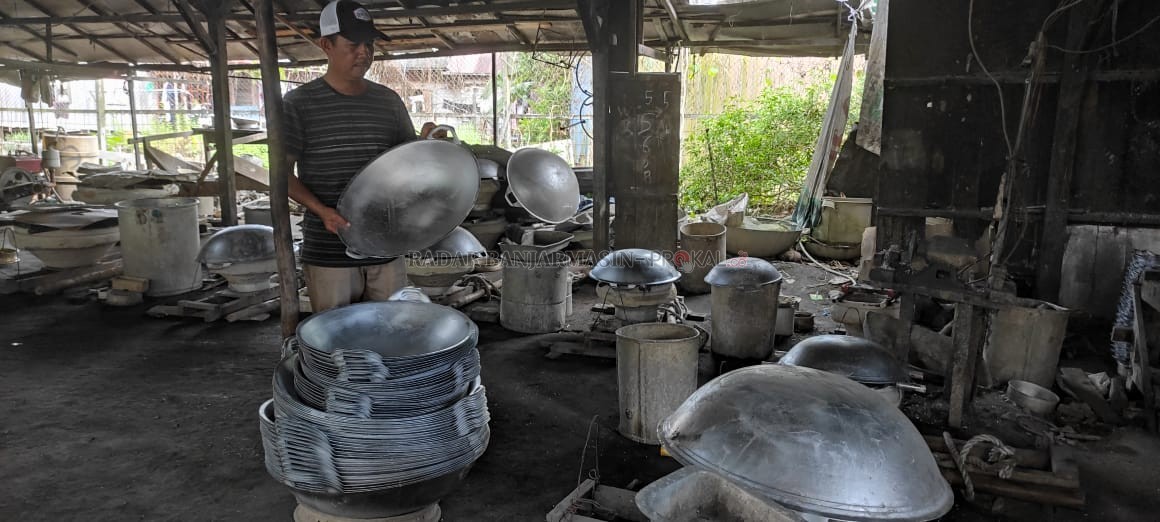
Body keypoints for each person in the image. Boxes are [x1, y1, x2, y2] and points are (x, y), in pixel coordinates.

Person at [283, 0, 431, 313]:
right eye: (353, 44)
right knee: (338, 343)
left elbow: (406, 161)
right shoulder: (299, 104)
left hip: (387, 245)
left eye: (369, 44)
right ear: (326, 45)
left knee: (392, 333)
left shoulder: (388, 102)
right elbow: (281, 175)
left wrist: (428, 145)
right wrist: (322, 211)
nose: (363, 52)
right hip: (330, 250)